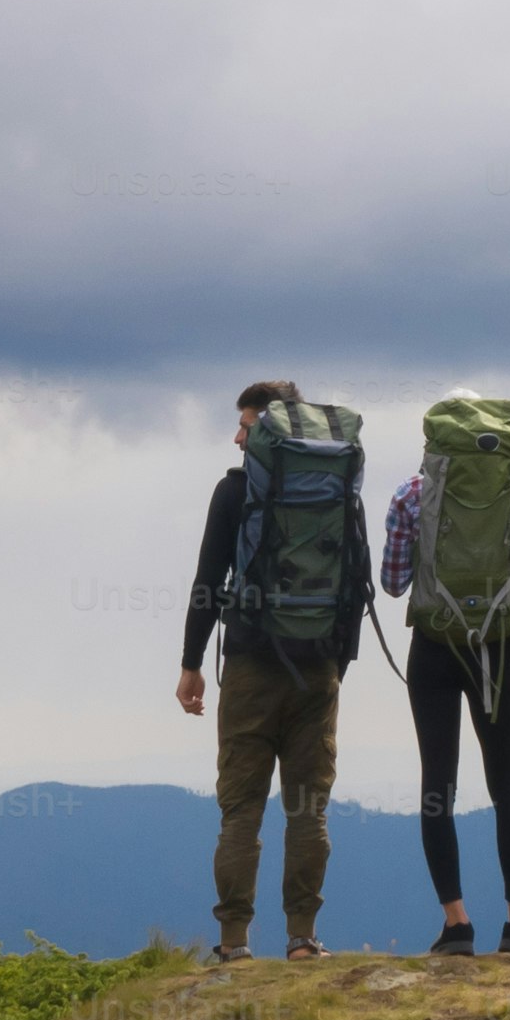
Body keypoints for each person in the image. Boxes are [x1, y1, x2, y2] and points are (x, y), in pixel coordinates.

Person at [178, 380, 368, 961]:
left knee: (241, 811)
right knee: (308, 812)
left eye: (245, 424)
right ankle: (303, 939)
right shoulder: (338, 490)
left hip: (251, 666)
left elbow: (209, 581)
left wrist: (191, 663)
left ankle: (233, 944)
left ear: (267, 430)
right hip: (318, 670)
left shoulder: (235, 492)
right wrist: (336, 662)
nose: (237, 436)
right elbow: (355, 583)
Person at [382, 390, 510, 954]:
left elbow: (393, 580)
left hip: (432, 649)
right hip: (498, 650)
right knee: (509, 787)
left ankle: (456, 925)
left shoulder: (411, 494)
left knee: (438, 787)